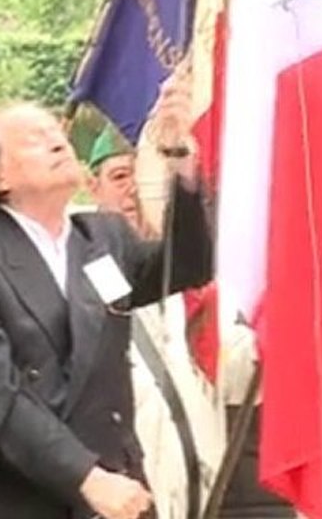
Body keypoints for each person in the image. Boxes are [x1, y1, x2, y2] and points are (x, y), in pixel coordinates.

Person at [0, 81, 213, 519]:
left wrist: (181, 160)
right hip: (21, 494)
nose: (57, 142)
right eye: (34, 139)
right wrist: (86, 477)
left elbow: (189, 264)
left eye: (57, 134)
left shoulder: (102, 238)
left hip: (116, 488)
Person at [87, 124, 226, 519]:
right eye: (118, 176)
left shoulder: (186, 269)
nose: (131, 188)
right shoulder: (80, 260)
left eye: (139, 172)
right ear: (92, 185)